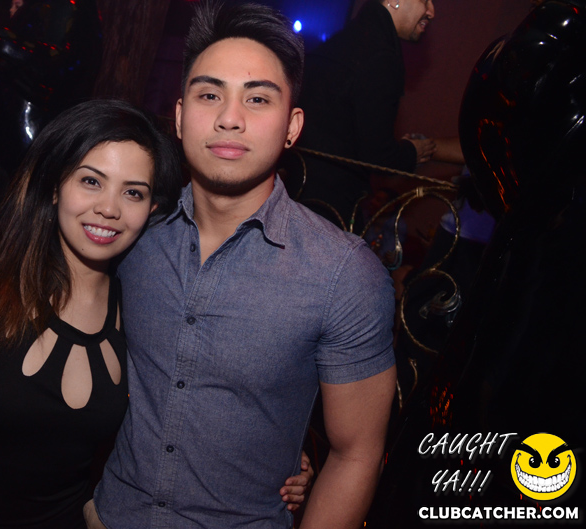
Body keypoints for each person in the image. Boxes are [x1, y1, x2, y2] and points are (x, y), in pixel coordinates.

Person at [82, 4, 396, 528]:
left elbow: (355, 454)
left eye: (257, 98)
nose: (230, 118)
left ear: (293, 126)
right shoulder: (130, 233)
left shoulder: (343, 275)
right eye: (209, 95)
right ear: (179, 116)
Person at [0, 100, 183, 529]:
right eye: (91, 181)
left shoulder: (140, 313)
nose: (109, 208)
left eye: (133, 192)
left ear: (151, 209)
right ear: (55, 184)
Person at [296, 0, 437, 225]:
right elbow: (378, 156)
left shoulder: (347, 38)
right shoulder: (380, 55)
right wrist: (413, 152)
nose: (431, 11)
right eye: (425, 0)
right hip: (329, 208)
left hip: (298, 187)